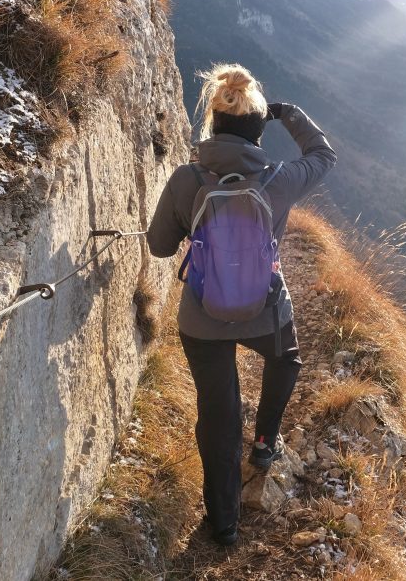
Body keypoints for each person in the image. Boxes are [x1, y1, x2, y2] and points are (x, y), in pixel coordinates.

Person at [147, 63, 337, 547]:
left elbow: (160, 247)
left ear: (212, 121)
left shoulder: (187, 178)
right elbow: (323, 153)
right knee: (286, 359)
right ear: (256, 128)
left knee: (218, 415)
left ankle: (224, 522)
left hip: (201, 315)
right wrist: (288, 113)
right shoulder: (280, 178)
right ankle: (265, 441)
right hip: (264, 310)